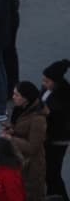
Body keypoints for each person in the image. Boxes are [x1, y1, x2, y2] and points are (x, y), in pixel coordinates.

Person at [0, 81, 49, 201]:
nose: (13, 97)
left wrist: (11, 139)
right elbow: (22, 129)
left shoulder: (38, 119)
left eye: (17, 95)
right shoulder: (21, 109)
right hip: (20, 161)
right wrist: (12, 129)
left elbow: (33, 147)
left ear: (26, 98)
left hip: (31, 167)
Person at [40, 60, 70, 200]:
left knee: (53, 172)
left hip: (57, 139)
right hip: (47, 136)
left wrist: (49, 113)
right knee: (47, 171)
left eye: (47, 81)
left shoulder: (64, 97)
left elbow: (62, 121)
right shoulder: (47, 90)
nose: (43, 83)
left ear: (56, 82)